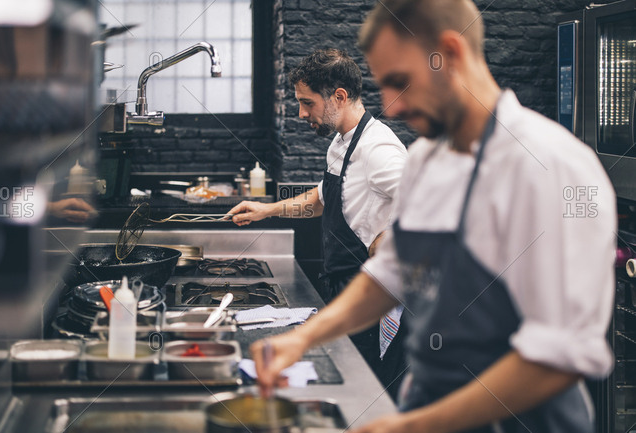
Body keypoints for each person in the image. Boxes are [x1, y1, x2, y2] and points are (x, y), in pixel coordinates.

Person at [250, 1, 617, 432]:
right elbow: (393, 271)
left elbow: (558, 358)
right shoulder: (426, 158)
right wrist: (303, 338)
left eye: (400, 82)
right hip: (429, 404)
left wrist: (413, 425)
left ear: (452, 53)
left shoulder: (555, 167)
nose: (392, 106)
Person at [229, 48, 408, 396]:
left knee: (365, 394)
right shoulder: (340, 143)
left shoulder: (378, 149)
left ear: (338, 97)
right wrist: (267, 211)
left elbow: (429, 204)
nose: (301, 113)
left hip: (370, 298)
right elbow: (322, 199)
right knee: (345, 385)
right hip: (341, 287)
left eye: (307, 103)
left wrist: (390, 239)